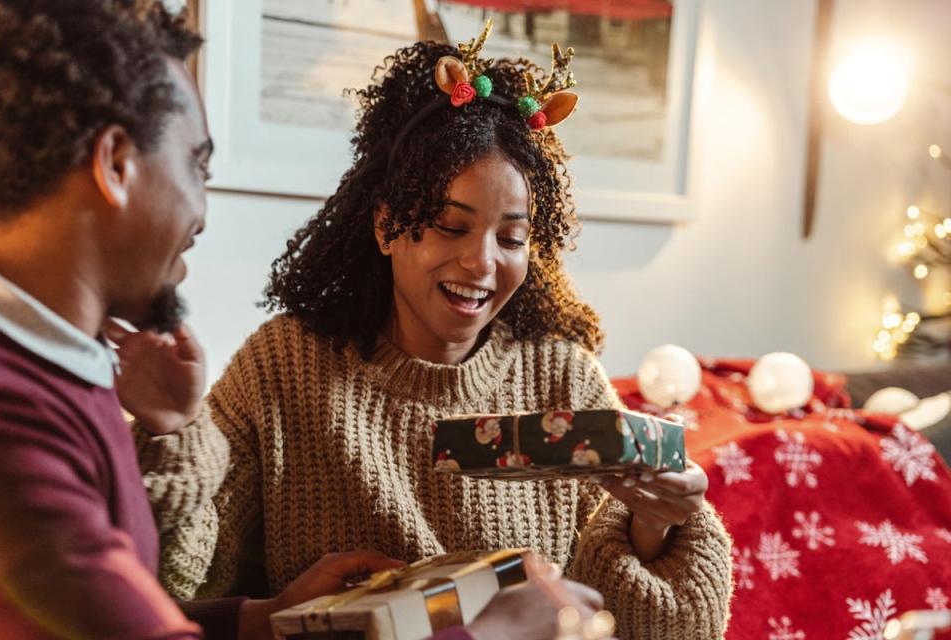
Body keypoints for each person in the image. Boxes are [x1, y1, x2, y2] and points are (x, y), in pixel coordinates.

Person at [0, 2, 601, 639]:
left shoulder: (73, 369)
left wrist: (264, 616)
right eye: (198, 167)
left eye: (512, 237)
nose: (202, 212)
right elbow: (164, 585)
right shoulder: (17, 416)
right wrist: (495, 632)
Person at [123, 26, 733, 640]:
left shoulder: (562, 376)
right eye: (450, 225)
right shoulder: (285, 367)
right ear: (388, 227)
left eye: (512, 238)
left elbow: (643, 627)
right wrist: (167, 430)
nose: (483, 263)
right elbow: (172, 581)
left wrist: (654, 525)